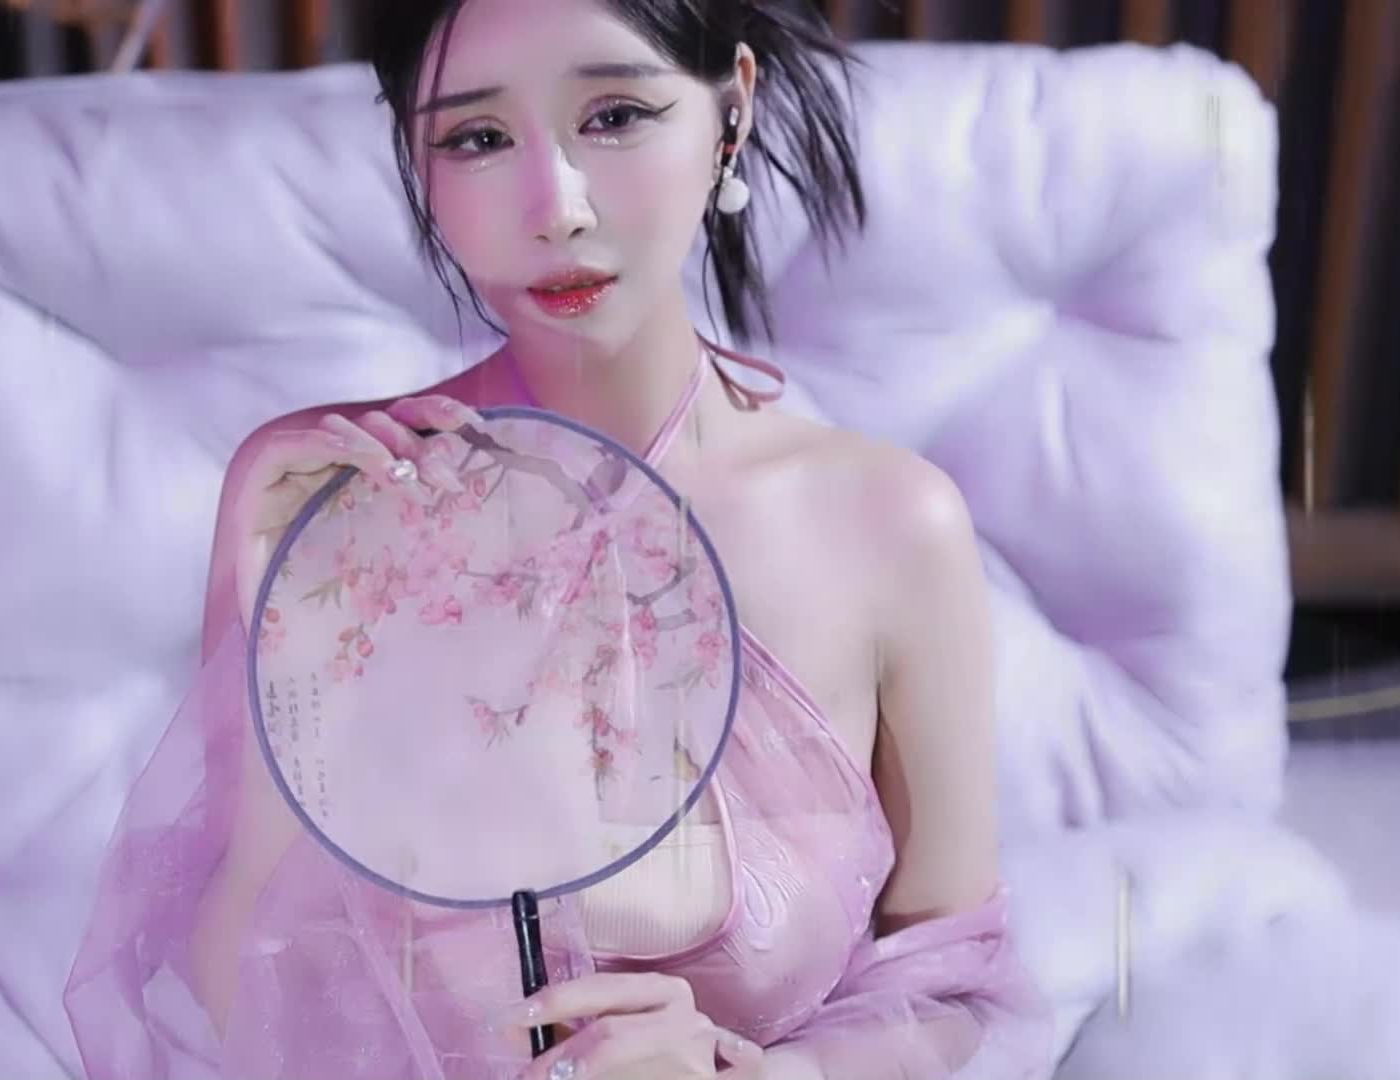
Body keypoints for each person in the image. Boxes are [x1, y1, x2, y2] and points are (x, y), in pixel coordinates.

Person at [64, 1, 1057, 1077]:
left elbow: (949, 980)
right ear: (417, 161)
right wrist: (281, 619)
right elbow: (232, 1001)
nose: (557, 209)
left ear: (731, 108)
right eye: (478, 137)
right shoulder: (332, 496)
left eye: (616, 115)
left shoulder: (888, 525)